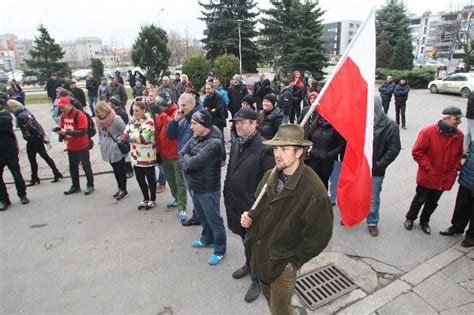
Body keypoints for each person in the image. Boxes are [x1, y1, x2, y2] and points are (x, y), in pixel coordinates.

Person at [241, 124, 333, 315]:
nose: (277, 154)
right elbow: (257, 207)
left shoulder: (314, 191)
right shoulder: (270, 175)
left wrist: (294, 261)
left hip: (283, 264)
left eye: (284, 148)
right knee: (269, 300)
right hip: (261, 256)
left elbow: (319, 236)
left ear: (299, 152)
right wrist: (249, 217)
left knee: (280, 311)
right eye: (276, 148)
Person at [224, 107, 274, 303]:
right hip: (236, 203)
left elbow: (268, 184)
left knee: (256, 244)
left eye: (243, 122)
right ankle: (248, 264)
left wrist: (255, 209)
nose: (238, 126)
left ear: (255, 124)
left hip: (253, 208)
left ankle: (257, 279)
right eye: (236, 123)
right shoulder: (237, 143)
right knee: (245, 240)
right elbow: (230, 170)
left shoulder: (265, 148)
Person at [405, 106, 464, 234]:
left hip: (445, 176)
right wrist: (428, 168)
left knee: (433, 202)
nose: (459, 122)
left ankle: (424, 221)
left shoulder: (459, 135)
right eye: (456, 119)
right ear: (446, 118)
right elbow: (417, 152)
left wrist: (456, 166)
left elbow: (460, 154)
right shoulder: (428, 132)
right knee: (420, 198)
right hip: (429, 175)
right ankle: (410, 218)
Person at [178, 110, 227, 265]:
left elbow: (192, 163)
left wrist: (187, 160)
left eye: (194, 124)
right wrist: (187, 159)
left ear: (204, 125)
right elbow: (181, 153)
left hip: (208, 190)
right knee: (202, 217)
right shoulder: (197, 137)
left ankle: (220, 250)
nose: (191, 127)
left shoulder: (214, 143)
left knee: (215, 221)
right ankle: (207, 239)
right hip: (195, 186)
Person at [366, 95, 401, 237]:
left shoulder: (390, 125)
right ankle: (353, 216)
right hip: (360, 167)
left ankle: (372, 222)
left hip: (376, 170)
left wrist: (379, 165)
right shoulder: (363, 121)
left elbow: (394, 149)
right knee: (356, 193)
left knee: (373, 198)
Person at [7, 99, 62, 186]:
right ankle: (56, 172)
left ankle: (35, 177)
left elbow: (30, 127)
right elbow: (36, 124)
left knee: (32, 159)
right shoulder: (26, 112)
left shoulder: (20, 116)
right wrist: (42, 134)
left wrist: (37, 134)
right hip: (37, 138)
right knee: (45, 156)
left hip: (32, 139)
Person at [167, 93, 203, 226]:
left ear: (192, 105)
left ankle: (201, 218)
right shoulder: (184, 118)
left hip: (193, 162)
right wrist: (175, 120)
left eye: (183, 105)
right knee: (193, 192)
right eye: (179, 104)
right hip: (185, 161)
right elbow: (170, 135)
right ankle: (198, 215)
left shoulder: (198, 118)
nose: (180, 108)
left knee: (197, 192)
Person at [439, 115, 474, 247]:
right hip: (468, 175)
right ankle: (457, 227)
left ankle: (471, 236)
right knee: (462, 204)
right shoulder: (471, 131)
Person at [154, 92, 188, 222]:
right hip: (164, 153)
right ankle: (176, 199)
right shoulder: (161, 115)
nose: (159, 107)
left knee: (180, 182)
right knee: (170, 179)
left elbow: (172, 131)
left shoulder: (176, 113)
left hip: (176, 154)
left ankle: (182, 207)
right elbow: (157, 134)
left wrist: (163, 117)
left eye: (160, 105)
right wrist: (158, 152)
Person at [56, 96, 95, 195]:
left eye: (63, 107)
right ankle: (75, 186)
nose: (61, 110)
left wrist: (67, 132)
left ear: (69, 105)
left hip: (82, 145)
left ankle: (90, 185)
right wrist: (60, 132)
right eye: (60, 108)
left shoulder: (79, 114)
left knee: (86, 166)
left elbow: (83, 132)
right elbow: (62, 127)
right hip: (71, 146)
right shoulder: (63, 116)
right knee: (73, 167)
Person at [123, 101, 157, 210]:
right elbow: (124, 136)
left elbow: (144, 138)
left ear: (144, 110)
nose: (134, 112)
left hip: (147, 157)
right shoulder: (132, 121)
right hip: (135, 157)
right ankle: (145, 198)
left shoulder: (150, 122)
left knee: (151, 179)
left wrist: (132, 135)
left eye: (137, 110)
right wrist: (136, 135)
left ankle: (152, 199)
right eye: (133, 110)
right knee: (140, 179)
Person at [95, 101, 128, 201]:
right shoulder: (98, 120)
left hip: (116, 147)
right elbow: (100, 133)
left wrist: (119, 139)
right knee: (115, 169)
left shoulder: (116, 118)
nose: (97, 114)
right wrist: (101, 141)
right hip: (106, 147)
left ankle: (124, 189)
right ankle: (119, 187)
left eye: (98, 112)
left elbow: (125, 131)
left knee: (120, 169)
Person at [0, 98, 29, 210]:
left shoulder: (5, 116)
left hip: (9, 149)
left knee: (16, 174)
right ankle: (4, 199)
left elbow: (4, 125)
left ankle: (22, 194)